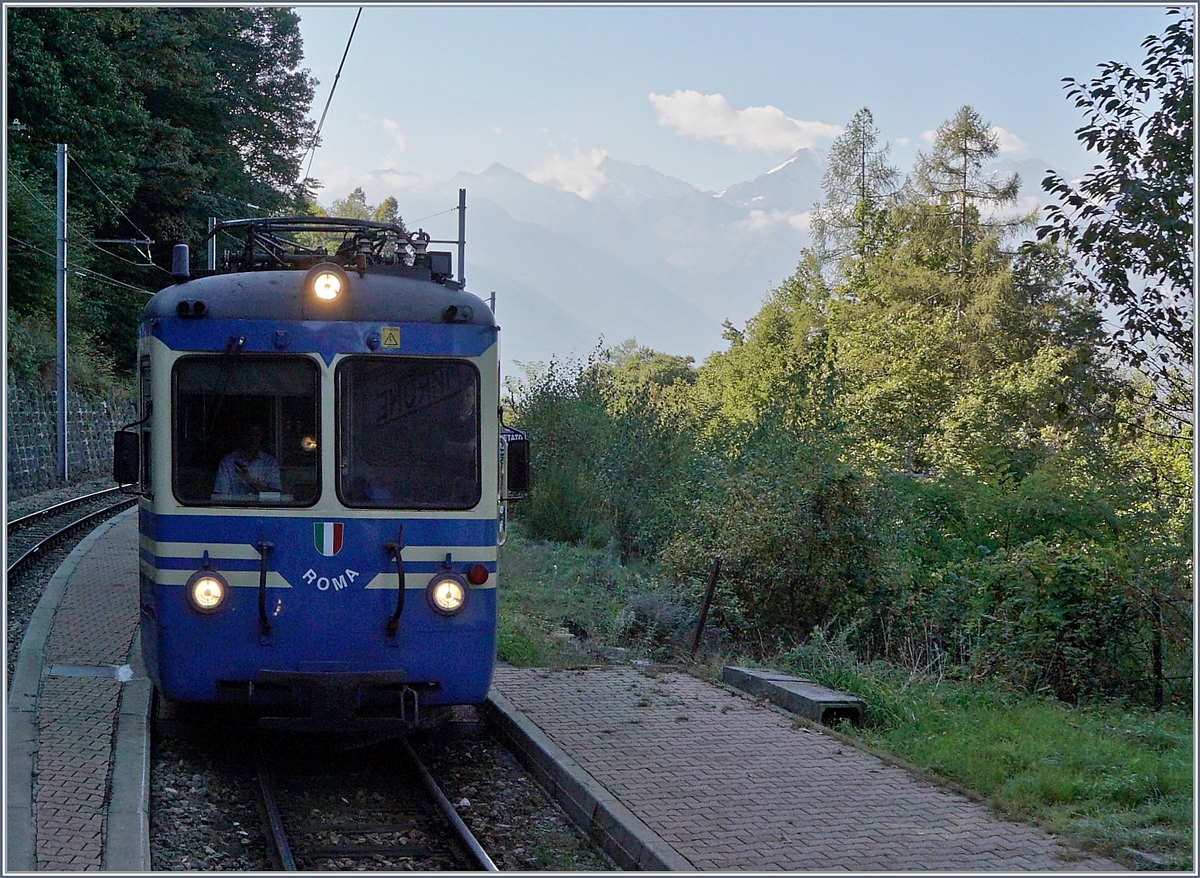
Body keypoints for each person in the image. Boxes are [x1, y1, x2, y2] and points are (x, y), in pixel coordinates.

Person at [212, 422, 281, 498]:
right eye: (249, 435)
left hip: (263, 509)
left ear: (261, 437)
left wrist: (250, 481)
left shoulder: (270, 463)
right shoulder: (227, 462)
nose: (253, 439)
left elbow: (276, 495)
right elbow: (220, 496)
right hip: (234, 508)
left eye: (256, 435)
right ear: (242, 436)